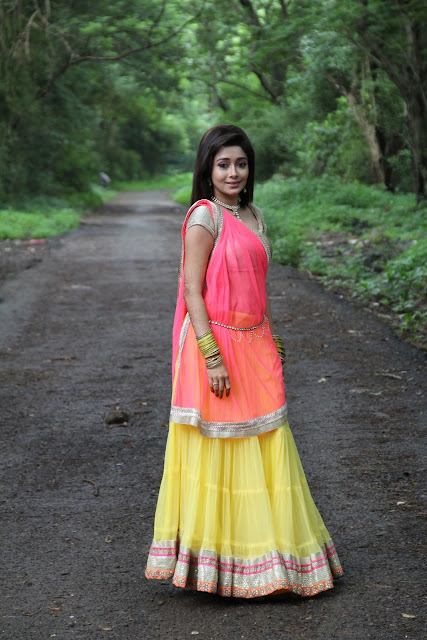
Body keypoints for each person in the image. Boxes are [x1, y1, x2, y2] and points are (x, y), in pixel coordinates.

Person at [145, 124, 343, 598]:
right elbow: (193, 291)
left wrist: (272, 340)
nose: (233, 172)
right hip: (217, 346)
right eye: (223, 164)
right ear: (207, 169)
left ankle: (272, 560)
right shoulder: (204, 218)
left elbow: (260, 288)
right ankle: (219, 567)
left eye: (240, 163)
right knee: (224, 451)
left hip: (255, 345)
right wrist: (212, 357)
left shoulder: (253, 215)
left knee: (270, 445)